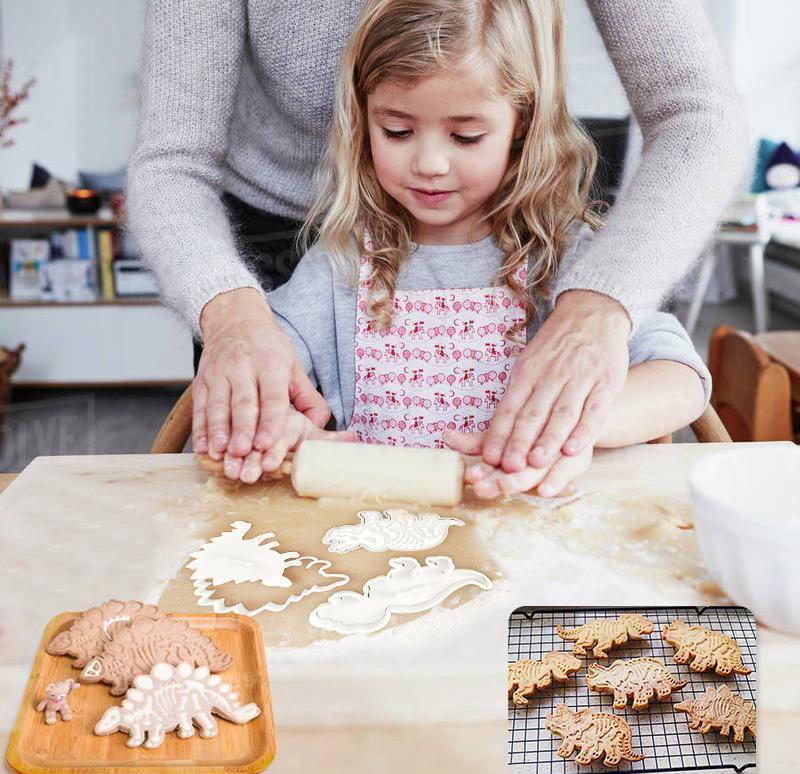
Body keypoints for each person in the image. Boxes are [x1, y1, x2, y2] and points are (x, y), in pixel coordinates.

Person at [127, 0, 747, 483]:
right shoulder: (339, 268)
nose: (429, 164)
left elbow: (681, 377)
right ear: (362, 120)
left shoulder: (568, 258)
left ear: (521, 123)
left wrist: (572, 424)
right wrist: (276, 428)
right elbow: (271, 372)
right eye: (397, 130)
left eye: (467, 136)